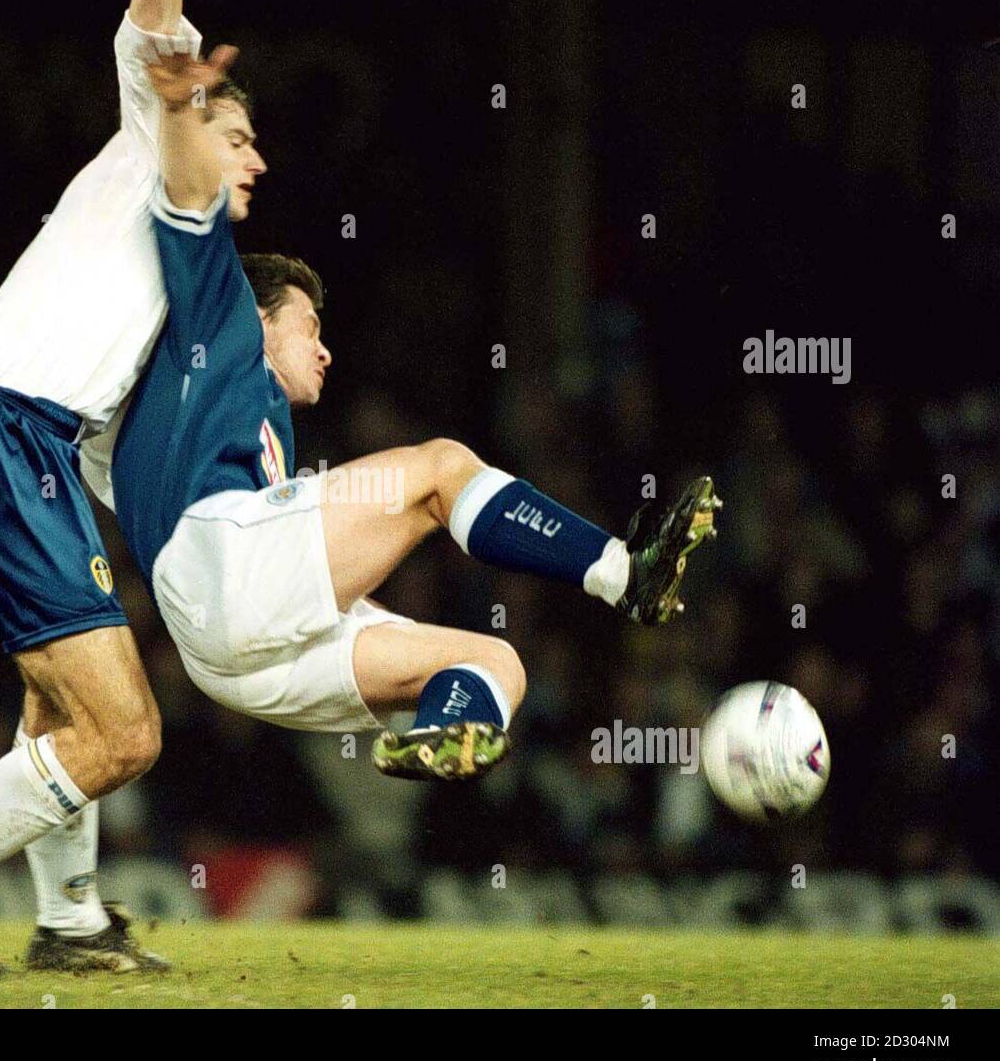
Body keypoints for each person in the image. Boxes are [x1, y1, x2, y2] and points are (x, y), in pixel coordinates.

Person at [100, 44, 723, 789]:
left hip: (224, 655)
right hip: (223, 571)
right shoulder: (222, 315)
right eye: (309, 327)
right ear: (257, 320)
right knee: (441, 469)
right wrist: (179, 109)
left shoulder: (204, 418)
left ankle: (438, 737)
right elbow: (187, 207)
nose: (325, 350)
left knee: (495, 664)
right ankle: (626, 574)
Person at [0, 0, 265, 978]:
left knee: (60, 710)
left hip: (20, 448)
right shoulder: (144, 141)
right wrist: (173, 84)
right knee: (125, 734)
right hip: (1, 436)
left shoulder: (179, 268)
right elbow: (151, 17)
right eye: (240, 137)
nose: (259, 158)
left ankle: (68, 921)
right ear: (186, 123)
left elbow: (113, 440)